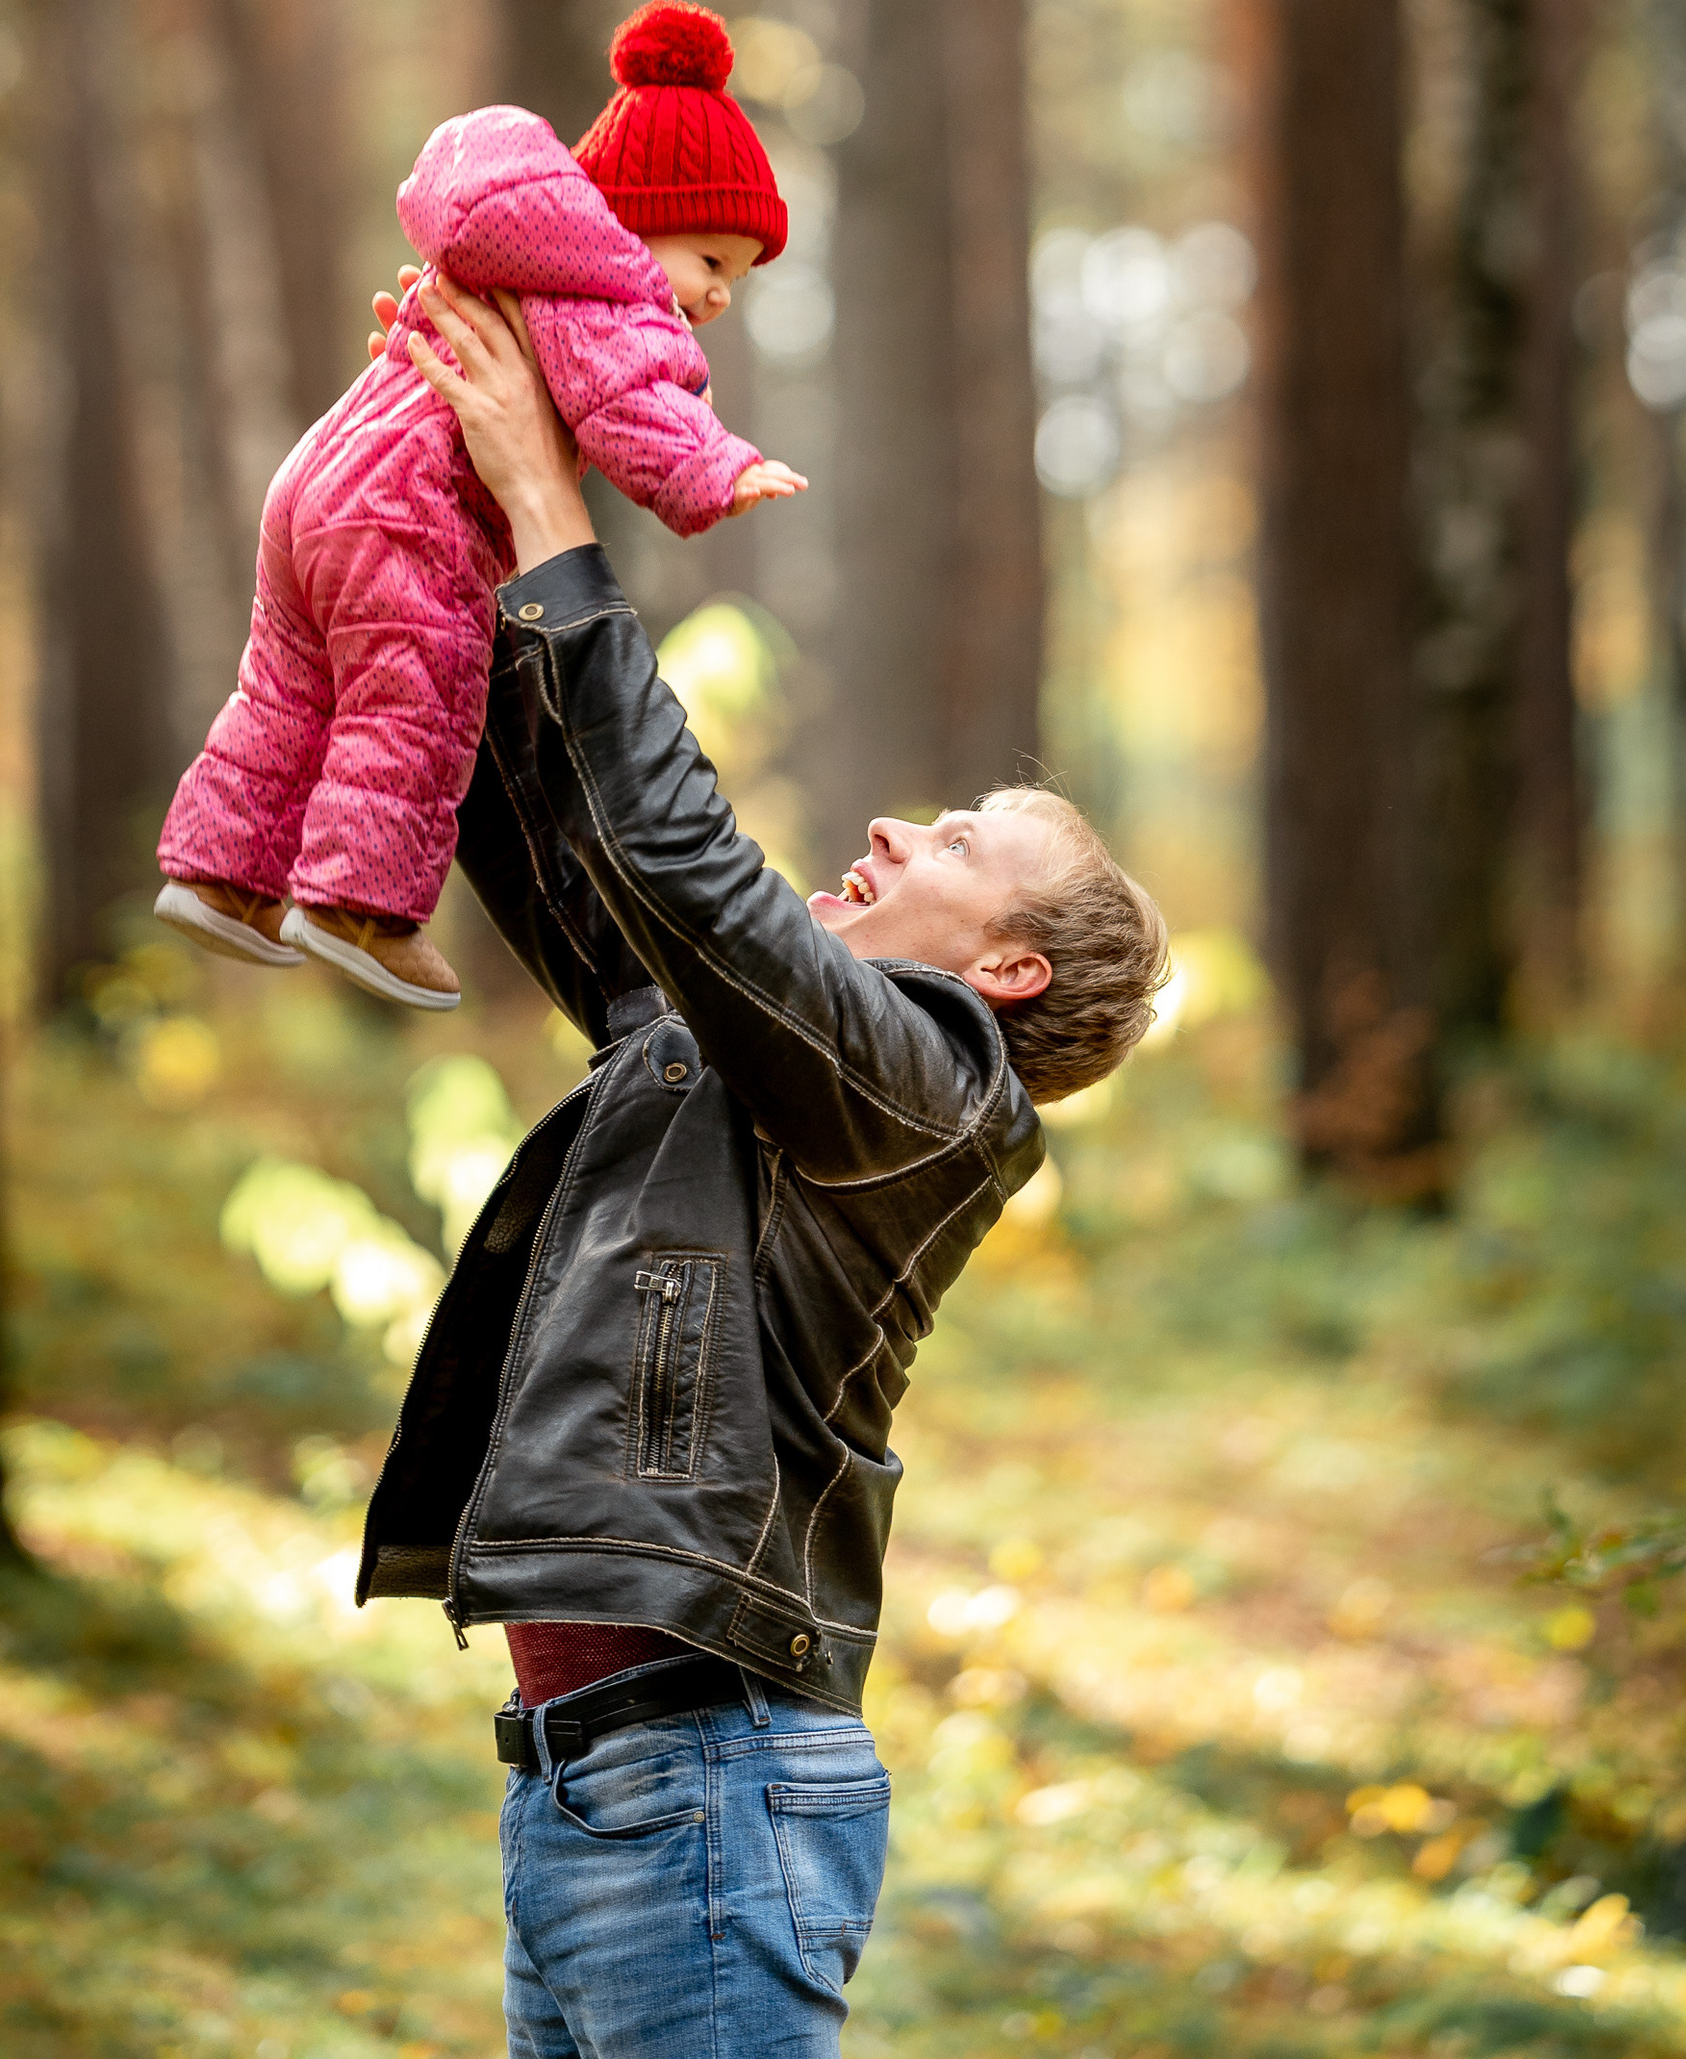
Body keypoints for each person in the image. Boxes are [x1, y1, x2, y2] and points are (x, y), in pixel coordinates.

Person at [356, 268, 1171, 2058]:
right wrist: (468, 470)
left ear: (1010, 969)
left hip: (705, 1789)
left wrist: (567, 520)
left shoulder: (935, 1085)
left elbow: (688, 854)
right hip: (588, 1786)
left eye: (957, 840)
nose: (893, 824)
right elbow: (563, 818)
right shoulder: (747, 1050)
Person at [154, 2, 807, 1009]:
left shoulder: (503, 254)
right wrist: (714, 469)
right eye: (712, 260)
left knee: (289, 687)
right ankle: (359, 903)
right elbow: (627, 405)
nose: (719, 295)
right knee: (419, 689)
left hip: (318, 485)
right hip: (409, 517)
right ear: (635, 213)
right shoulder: (607, 287)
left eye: (739, 277)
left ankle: (221, 872)